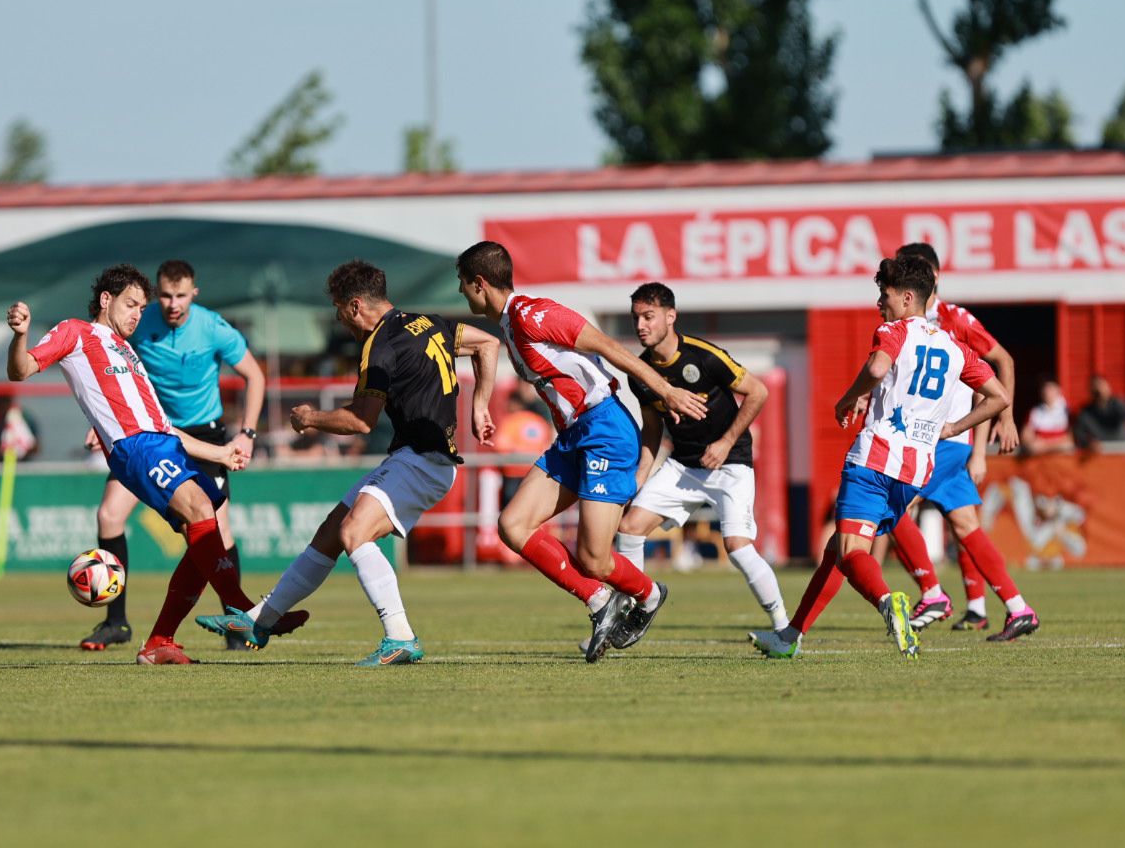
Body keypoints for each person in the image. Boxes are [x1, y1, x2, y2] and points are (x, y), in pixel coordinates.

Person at [196, 260, 500, 665]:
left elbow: (361, 420)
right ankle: (260, 620)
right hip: (420, 458)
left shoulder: (381, 343)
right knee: (331, 532)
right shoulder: (429, 322)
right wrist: (479, 405)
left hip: (422, 461)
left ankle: (401, 636)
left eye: (340, 311)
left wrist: (311, 419)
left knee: (355, 531)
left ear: (355, 305)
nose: (342, 322)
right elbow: (488, 345)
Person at [5, 263, 282, 666]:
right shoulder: (75, 332)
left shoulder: (130, 351)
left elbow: (163, 425)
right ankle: (247, 614)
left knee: (206, 532)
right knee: (194, 513)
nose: (138, 314)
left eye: (140, 307)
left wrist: (220, 453)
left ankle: (160, 641)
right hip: (137, 449)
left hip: (166, 442)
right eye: (131, 305)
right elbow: (21, 370)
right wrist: (20, 335)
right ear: (106, 300)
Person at [455, 240, 707, 662]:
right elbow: (486, 350)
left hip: (605, 429)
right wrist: (480, 403)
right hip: (573, 436)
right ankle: (599, 602)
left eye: (462, 284)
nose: (461, 293)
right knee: (513, 525)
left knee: (594, 557)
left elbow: (608, 346)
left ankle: (648, 594)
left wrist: (667, 390)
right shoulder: (508, 326)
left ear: (479, 284)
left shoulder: (533, 313)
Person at [751, 255, 1013, 660]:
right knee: (837, 553)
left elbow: (877, 366)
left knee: (853, 552)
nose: (879, 303)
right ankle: (789, 637)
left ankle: (890, 602)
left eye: (884, 294)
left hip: (874, 460)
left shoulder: (894, 331)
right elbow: (1000, 396)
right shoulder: (954, 347)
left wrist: (848, 397)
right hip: (915, 469)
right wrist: (956, 428)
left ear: (907, 298)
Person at [79, 259, 267, 653]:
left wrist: (247, 434)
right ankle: (117, 623)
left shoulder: (212, 327)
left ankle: (234, 622)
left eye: (180, 296)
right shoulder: (136, 322)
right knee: (108, 515)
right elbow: (114, 373)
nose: (172, 304)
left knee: (216, 528)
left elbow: (255, 375)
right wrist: (103, 421)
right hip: (146, 435)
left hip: (201, 435)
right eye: (164, 295)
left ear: (193, 294)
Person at [610, 282, 790, 644]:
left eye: (649, 316)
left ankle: (786, 629)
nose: (641, 325)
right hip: (683, 466)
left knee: (737, 548)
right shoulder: (641, 373)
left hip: (730, 464)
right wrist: (639, 477)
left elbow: (759, 391)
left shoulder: (704, 356)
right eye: (636, 318)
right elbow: (651, 430)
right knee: (629, 528)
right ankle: (635, 611)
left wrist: (725, 443)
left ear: (670, 317)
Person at [880, 242, 1029, 636]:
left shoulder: (955, 319)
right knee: (965, 526)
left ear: (932, 278)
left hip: (942, 440)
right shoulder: (901, 323)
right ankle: (1017, 607)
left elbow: (1001, 365)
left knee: (891, 508)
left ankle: (932, 593)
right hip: (932, 439)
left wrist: (1003, 421)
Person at [1073, 374, 1125, 449]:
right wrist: (1088, 443)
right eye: (1095, 388)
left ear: (1108, 387)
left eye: (1102, 386)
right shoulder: (1085, 412)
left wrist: (1109, 399)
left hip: (1121, 449)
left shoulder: (1118, 404)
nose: (1099, 390)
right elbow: (1079, 434)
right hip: (1100, 452)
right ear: (1090, 390)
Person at [1022, 379, 1074, 455]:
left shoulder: (1067, 411)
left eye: (1051, 389)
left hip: (1061, 454)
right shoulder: (1035, 412)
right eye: (1045, 390)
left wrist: (1046, 446)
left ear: (1059, 391)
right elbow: (1025, 436)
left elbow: (1071, 439)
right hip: (1040, 456)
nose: (1048, 393)